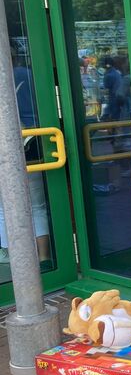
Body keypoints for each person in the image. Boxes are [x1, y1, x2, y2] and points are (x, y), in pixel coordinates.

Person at [0, 52, 51, 266]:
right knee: (37, 206)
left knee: (4, 206)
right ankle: (44, 256)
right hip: (37, 141)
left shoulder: (5, 79)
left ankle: (11, 257)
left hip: (9, 143)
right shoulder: (32, 75)